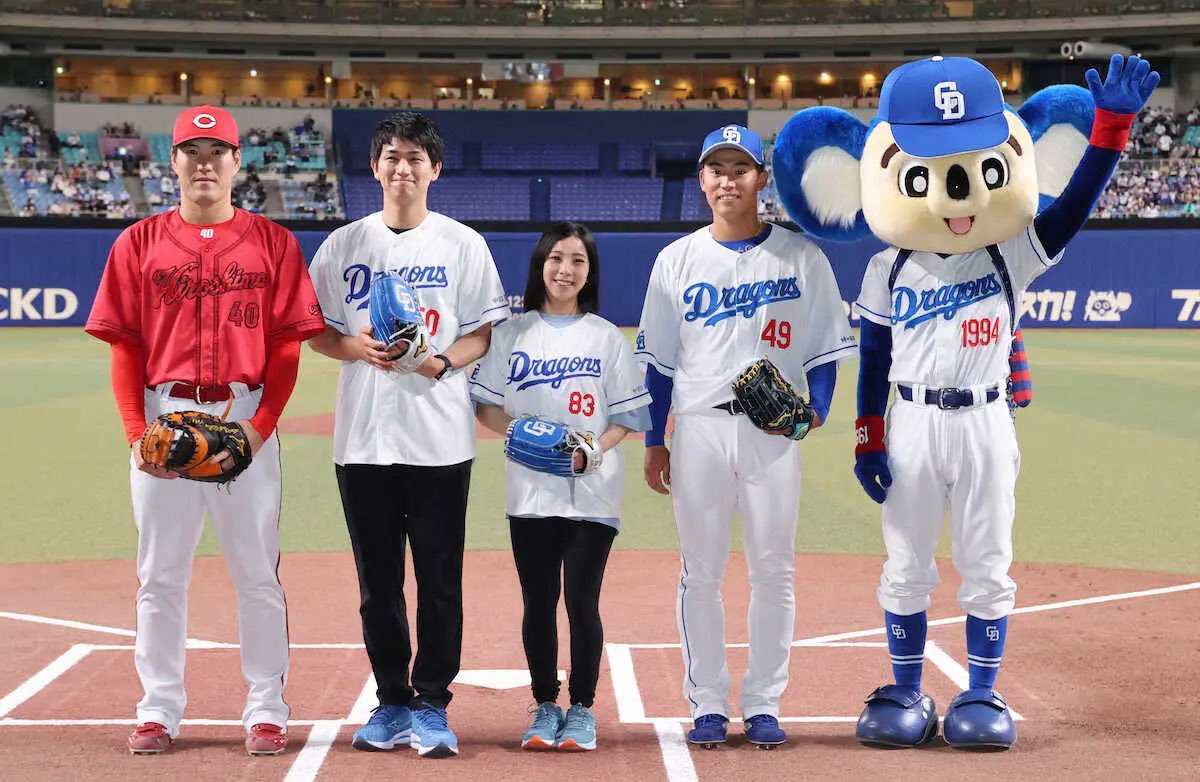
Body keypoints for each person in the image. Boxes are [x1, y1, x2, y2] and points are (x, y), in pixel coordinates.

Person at [84, 105, 325, 757]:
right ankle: (158, 708)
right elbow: (125, 346)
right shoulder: (136, 244)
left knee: (257, 573)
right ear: (173, 162)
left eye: (217, 151)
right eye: (191, 151)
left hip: (244, 413)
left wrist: (260, 428)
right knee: (160, 575)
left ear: (237, 162)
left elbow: (285, 348)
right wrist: (136, 432)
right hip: (165, 415)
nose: (204, 163)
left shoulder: (274, 243)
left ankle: (266, 707)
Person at [635, 124, 857, 749]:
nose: (728, 180)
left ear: (762, 178)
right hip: (700, 427)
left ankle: (762, 703)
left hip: (771, 433)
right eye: (717, 169)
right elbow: (659, 363)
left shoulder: (802, 257)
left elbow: (825, 348)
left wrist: (816, 411)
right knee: (699, 573)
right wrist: (655, 439)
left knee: (774, 571)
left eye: (741, 169)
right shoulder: (676, 260)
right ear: (702, 179)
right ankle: (708, 702)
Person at [307, 111, 509, 759]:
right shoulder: (342, 245)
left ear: (434, 169)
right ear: (375, 167)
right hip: (362, 439)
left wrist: (442, 362)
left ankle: (432, 704)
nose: (403, 168)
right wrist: (353, 347)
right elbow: (315, 330)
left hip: (438, 438)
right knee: (378, 586)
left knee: (440, 581)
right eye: (392, 156)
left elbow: (484, 330)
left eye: (415, 158)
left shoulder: (462, 244)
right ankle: (392, 700)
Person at [470, 223, 651, 752]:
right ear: (540, 265)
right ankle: (546, 704)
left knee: (581, 601)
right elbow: (486, 405)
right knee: (538, 600)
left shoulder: (605, 336)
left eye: (577, 260)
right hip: (530, 491)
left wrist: (594, 448)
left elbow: (627, 415)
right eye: (556, 258)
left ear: (589, 272)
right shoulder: (511, 334)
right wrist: (523, 433)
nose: (565, 269)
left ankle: (583, 708)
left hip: (593, 489)